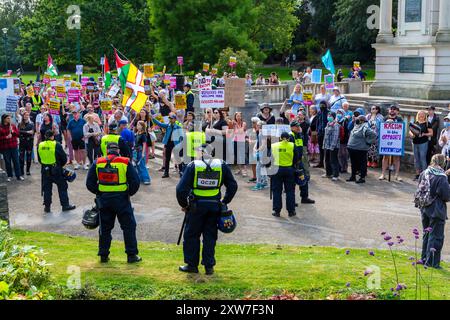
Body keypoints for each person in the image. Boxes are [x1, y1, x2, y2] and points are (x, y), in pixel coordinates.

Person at [175, 144, 238, 275]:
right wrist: (224, 201)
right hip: (214, 206)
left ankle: (192, 265)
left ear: (200, 152)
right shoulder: (221, 164)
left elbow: (180, 189)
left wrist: (184, 205)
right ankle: (209, 266)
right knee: (210, 236)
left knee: (192, 235)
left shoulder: (193, 165)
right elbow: (232, 185)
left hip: (196, 207)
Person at [86, 142, 141, 264]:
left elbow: (89, 183)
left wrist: (99, 192)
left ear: (107, 150)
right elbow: (135, 181)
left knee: (105, 228)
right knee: (129, 227)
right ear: (118, 150)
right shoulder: (125, 162)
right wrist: (128, 193)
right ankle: (131, 255)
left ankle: (103, 255)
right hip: (121, 199)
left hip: (104, 200)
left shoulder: (98, 162)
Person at [418, 154, 450, 269]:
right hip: (437, 209)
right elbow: (446, 196)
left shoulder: (424, 172)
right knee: (436, 237)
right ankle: (432, 263)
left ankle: (424, 258)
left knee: (426, 234)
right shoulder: (441, 177)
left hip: (424, 207)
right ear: (442, 163)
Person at [37, 130, 76, 213]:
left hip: (45, 170)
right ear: (52, 136)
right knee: (62, 187)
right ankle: (65, 205)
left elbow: (39, 159)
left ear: (45, 137)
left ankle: (47, 207)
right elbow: (64, 159)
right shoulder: (56, 144)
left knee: (47, 189)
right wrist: (59, 165)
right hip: (56, 170)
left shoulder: (40, 145)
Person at [270, 132, 298, 217]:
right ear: (288, 138)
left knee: (277, 191)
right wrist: (292, 165)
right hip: (289, 170)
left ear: (280, 138)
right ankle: (291, 211)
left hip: (277, 170)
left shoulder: (274, 145)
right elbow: (297, 158)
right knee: (290, 191)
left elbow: (269, 158)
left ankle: (277, 211)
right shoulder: (292, 145)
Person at [289, 121, 315, 205]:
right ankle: (292, 201)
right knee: (291, 183)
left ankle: (304, 198)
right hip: (292, 163)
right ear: (291, 127)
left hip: (299, 162)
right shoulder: (290, 136)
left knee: (304, 179)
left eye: (299, 126)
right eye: (296, 126)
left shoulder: (299, 135)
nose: (298, 127)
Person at [347, 116, 377, 184]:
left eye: (359, 119)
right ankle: (353, 176)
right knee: (353, 163)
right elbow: (349, 128)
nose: (357, 120)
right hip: (352, 148)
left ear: (363, 121)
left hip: (360, 149)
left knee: (362, 164)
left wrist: (368, 142)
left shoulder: (365, 127)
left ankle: (362, 178)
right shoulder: (356, 125)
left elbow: (374, 135)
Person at [152, 113, 183, 178]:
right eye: (169, 118)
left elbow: (181, 137)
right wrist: (153, 118)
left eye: (171, 118)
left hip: (175, 144)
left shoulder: (178, 127)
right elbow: (160, 124)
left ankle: (181, 172)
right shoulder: (168, 125)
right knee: (167, 158)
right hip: (168, 144)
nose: (170, 119)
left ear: (174, 119)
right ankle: (166, 173)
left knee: (178, 158)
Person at [379, 106, 403, 181]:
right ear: (388, 110)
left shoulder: (399, 119)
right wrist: (386, 123)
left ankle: (397, 175)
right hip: (387, 141)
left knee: (397, 158)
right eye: (391, 109)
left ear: (397, 111)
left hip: (396, 141)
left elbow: (401, 129)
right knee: (385, 157)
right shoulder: (385, 118)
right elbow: (381, 127)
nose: (392, 111)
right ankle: (383, 174)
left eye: (394, 109)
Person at [410, 110, 433, 181]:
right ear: (418, 115)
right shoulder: (415, 123)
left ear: (425, 116)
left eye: (423, 114)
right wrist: (412, 135)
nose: (421, 115)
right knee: (416, 159)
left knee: (423, 158)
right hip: (415, 142)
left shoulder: (427, 123)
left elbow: (431, 133)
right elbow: (410, 131)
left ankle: (424, 175)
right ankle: (417, 174)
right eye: (420, 114)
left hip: (423, 143)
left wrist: (424, 134)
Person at [0, 114, 23, 181]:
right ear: (4, 119)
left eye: (10, 118)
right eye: (8, 118)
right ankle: (9, 176)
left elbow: (18, 134)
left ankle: (18, 175)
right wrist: (6, 137)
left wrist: (13, 131)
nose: (9, 119)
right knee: (7, 162)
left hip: (13, 146)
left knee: (16, 161)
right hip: (5, 147)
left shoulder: (12, 126)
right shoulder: (1, 127)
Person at [323, 112, 341, 181]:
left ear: (334, 117)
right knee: (327, 160)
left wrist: (332, 146)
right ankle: (328, 173)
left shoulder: (335, 125)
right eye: (328, 115)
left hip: (333, 146)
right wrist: (324, 145)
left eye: (330, 116)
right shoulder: (328, 124)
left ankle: (336, 175)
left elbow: (335, 137)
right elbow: (326, 136)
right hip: (327, 145)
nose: (329, 117)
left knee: (333, 160)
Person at [134, 121, 151, 185]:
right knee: (137, 165)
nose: (137, 126)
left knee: (142, 165)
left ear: (142, 126)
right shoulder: (136, 133)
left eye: (139, 125)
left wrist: (143, 153)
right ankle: (141, 178)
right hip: (136, 151)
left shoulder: (143, 134)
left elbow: (144, 144)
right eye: (137, 125)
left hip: (141, 151)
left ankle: (147, 179)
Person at [314, 101, 330, 168]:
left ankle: (328, 165)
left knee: (327, 149)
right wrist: (317, 131)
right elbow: (317, 122)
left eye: (323, 105)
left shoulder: (329, 112)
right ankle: (321, 163)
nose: (321, 106)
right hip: (320, 133)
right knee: (321, 149)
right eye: (320, 105)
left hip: (327, 133)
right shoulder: (319, 112)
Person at [18, 111, 34, 176]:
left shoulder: (31, 123)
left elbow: (32, 132)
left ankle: (27, 170)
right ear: (23, 116)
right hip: (22, 143)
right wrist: (27, 132)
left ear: (29, 116)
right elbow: (18, 132)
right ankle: (21, 171)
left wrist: (23, 132)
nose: (26, 116)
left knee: (29, 157)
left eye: (27, 115)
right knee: (21, 158)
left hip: (29, 142)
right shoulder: (20, 124)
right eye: (25, 115)